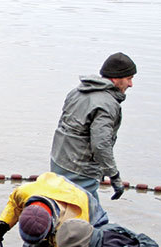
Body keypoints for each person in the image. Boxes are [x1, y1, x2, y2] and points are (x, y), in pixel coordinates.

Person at [49, 52, 136, 202]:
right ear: (115, 78)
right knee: (89, 216)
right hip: (80, 171)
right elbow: (101, 145)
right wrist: (114, 176)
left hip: (58, 160)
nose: (131, 84)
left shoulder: (77, 91)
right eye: (128, 79)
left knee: (62, 207)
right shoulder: (107, 104)